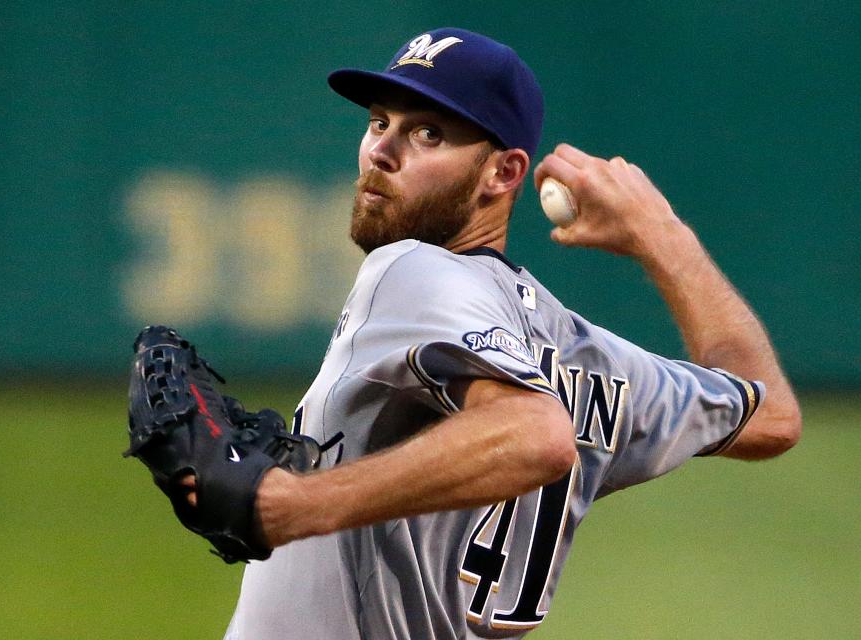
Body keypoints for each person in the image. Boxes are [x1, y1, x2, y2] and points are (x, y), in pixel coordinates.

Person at [216, 27, 801, 639]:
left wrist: (293, 506)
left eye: (427, 133)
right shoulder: (588, 357)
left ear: (503, 173)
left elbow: (535, 437)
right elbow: (772, 415)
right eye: (377, 122)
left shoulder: (410, 268)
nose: (381, 153)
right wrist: (664, 238)